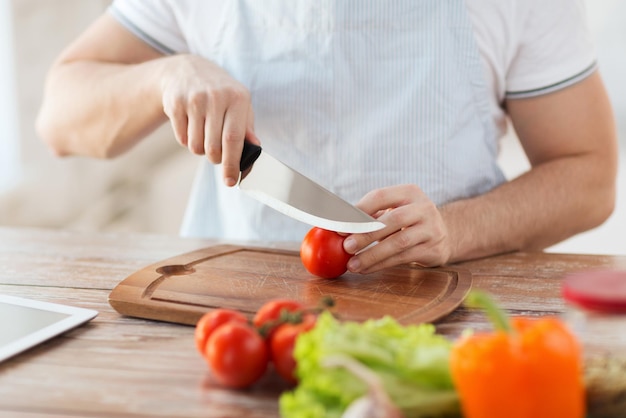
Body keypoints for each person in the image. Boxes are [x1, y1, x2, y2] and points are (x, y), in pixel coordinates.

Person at [36, 0, 618, 274]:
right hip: (230, 313)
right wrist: (165, 76)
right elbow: (60, 117)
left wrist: (458, 228)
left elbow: (589, 175)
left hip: (443, 308)